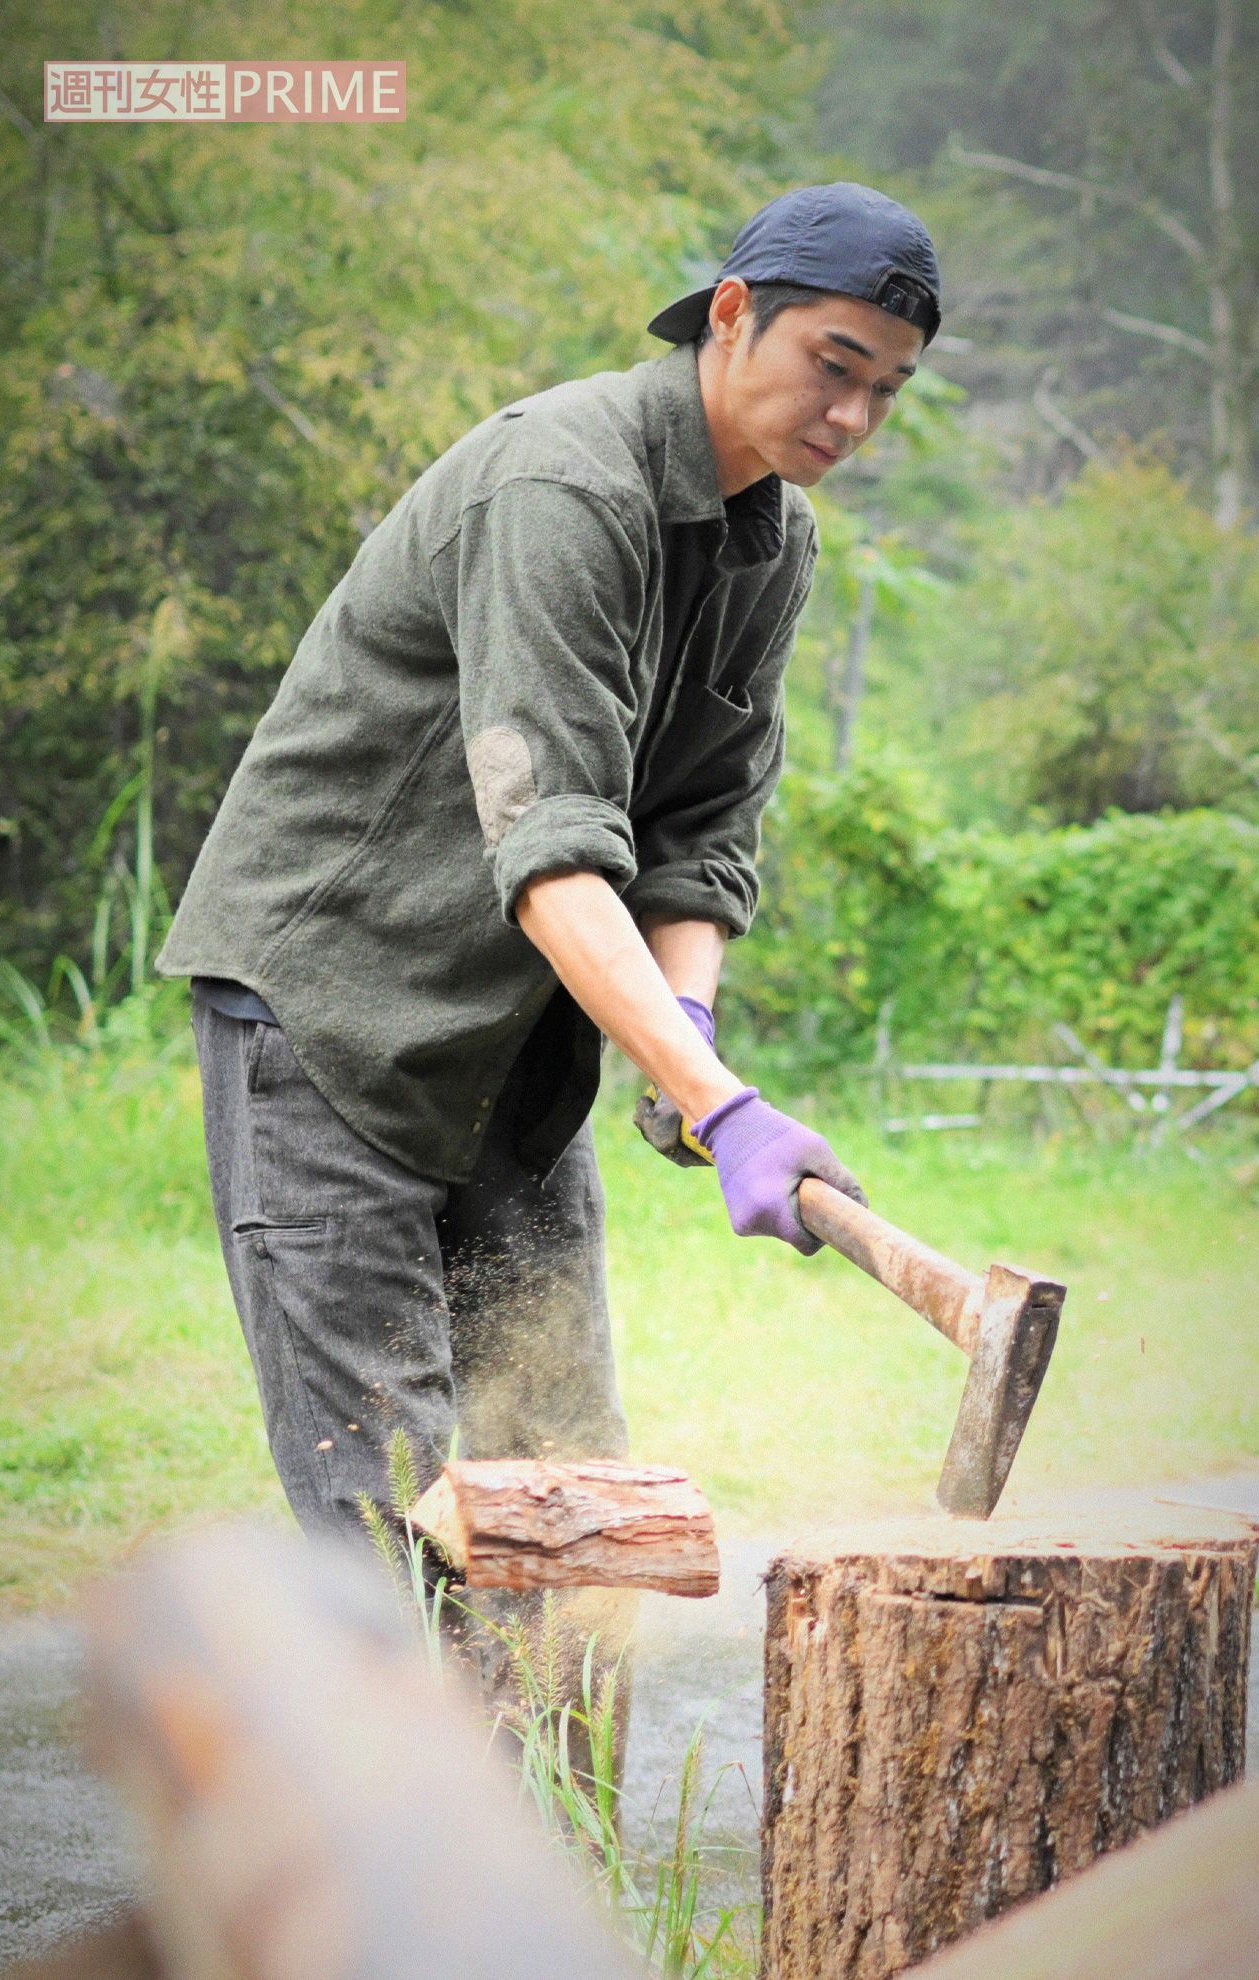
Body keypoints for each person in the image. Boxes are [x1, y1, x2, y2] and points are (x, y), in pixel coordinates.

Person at [156, 181, 942, 1554]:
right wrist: (722, 1107)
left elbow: (700, 834)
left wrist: (683, 1035)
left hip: (512, 1037)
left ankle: (556, 1716)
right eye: (836, 365)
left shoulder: (773, 543)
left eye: (888, 389)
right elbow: (550, 845)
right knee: (388, 1516)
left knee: (568, 1492)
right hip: (329, 1008)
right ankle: (379, 1708)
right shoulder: (563, 484)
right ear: (732, 314)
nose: (855, 416)